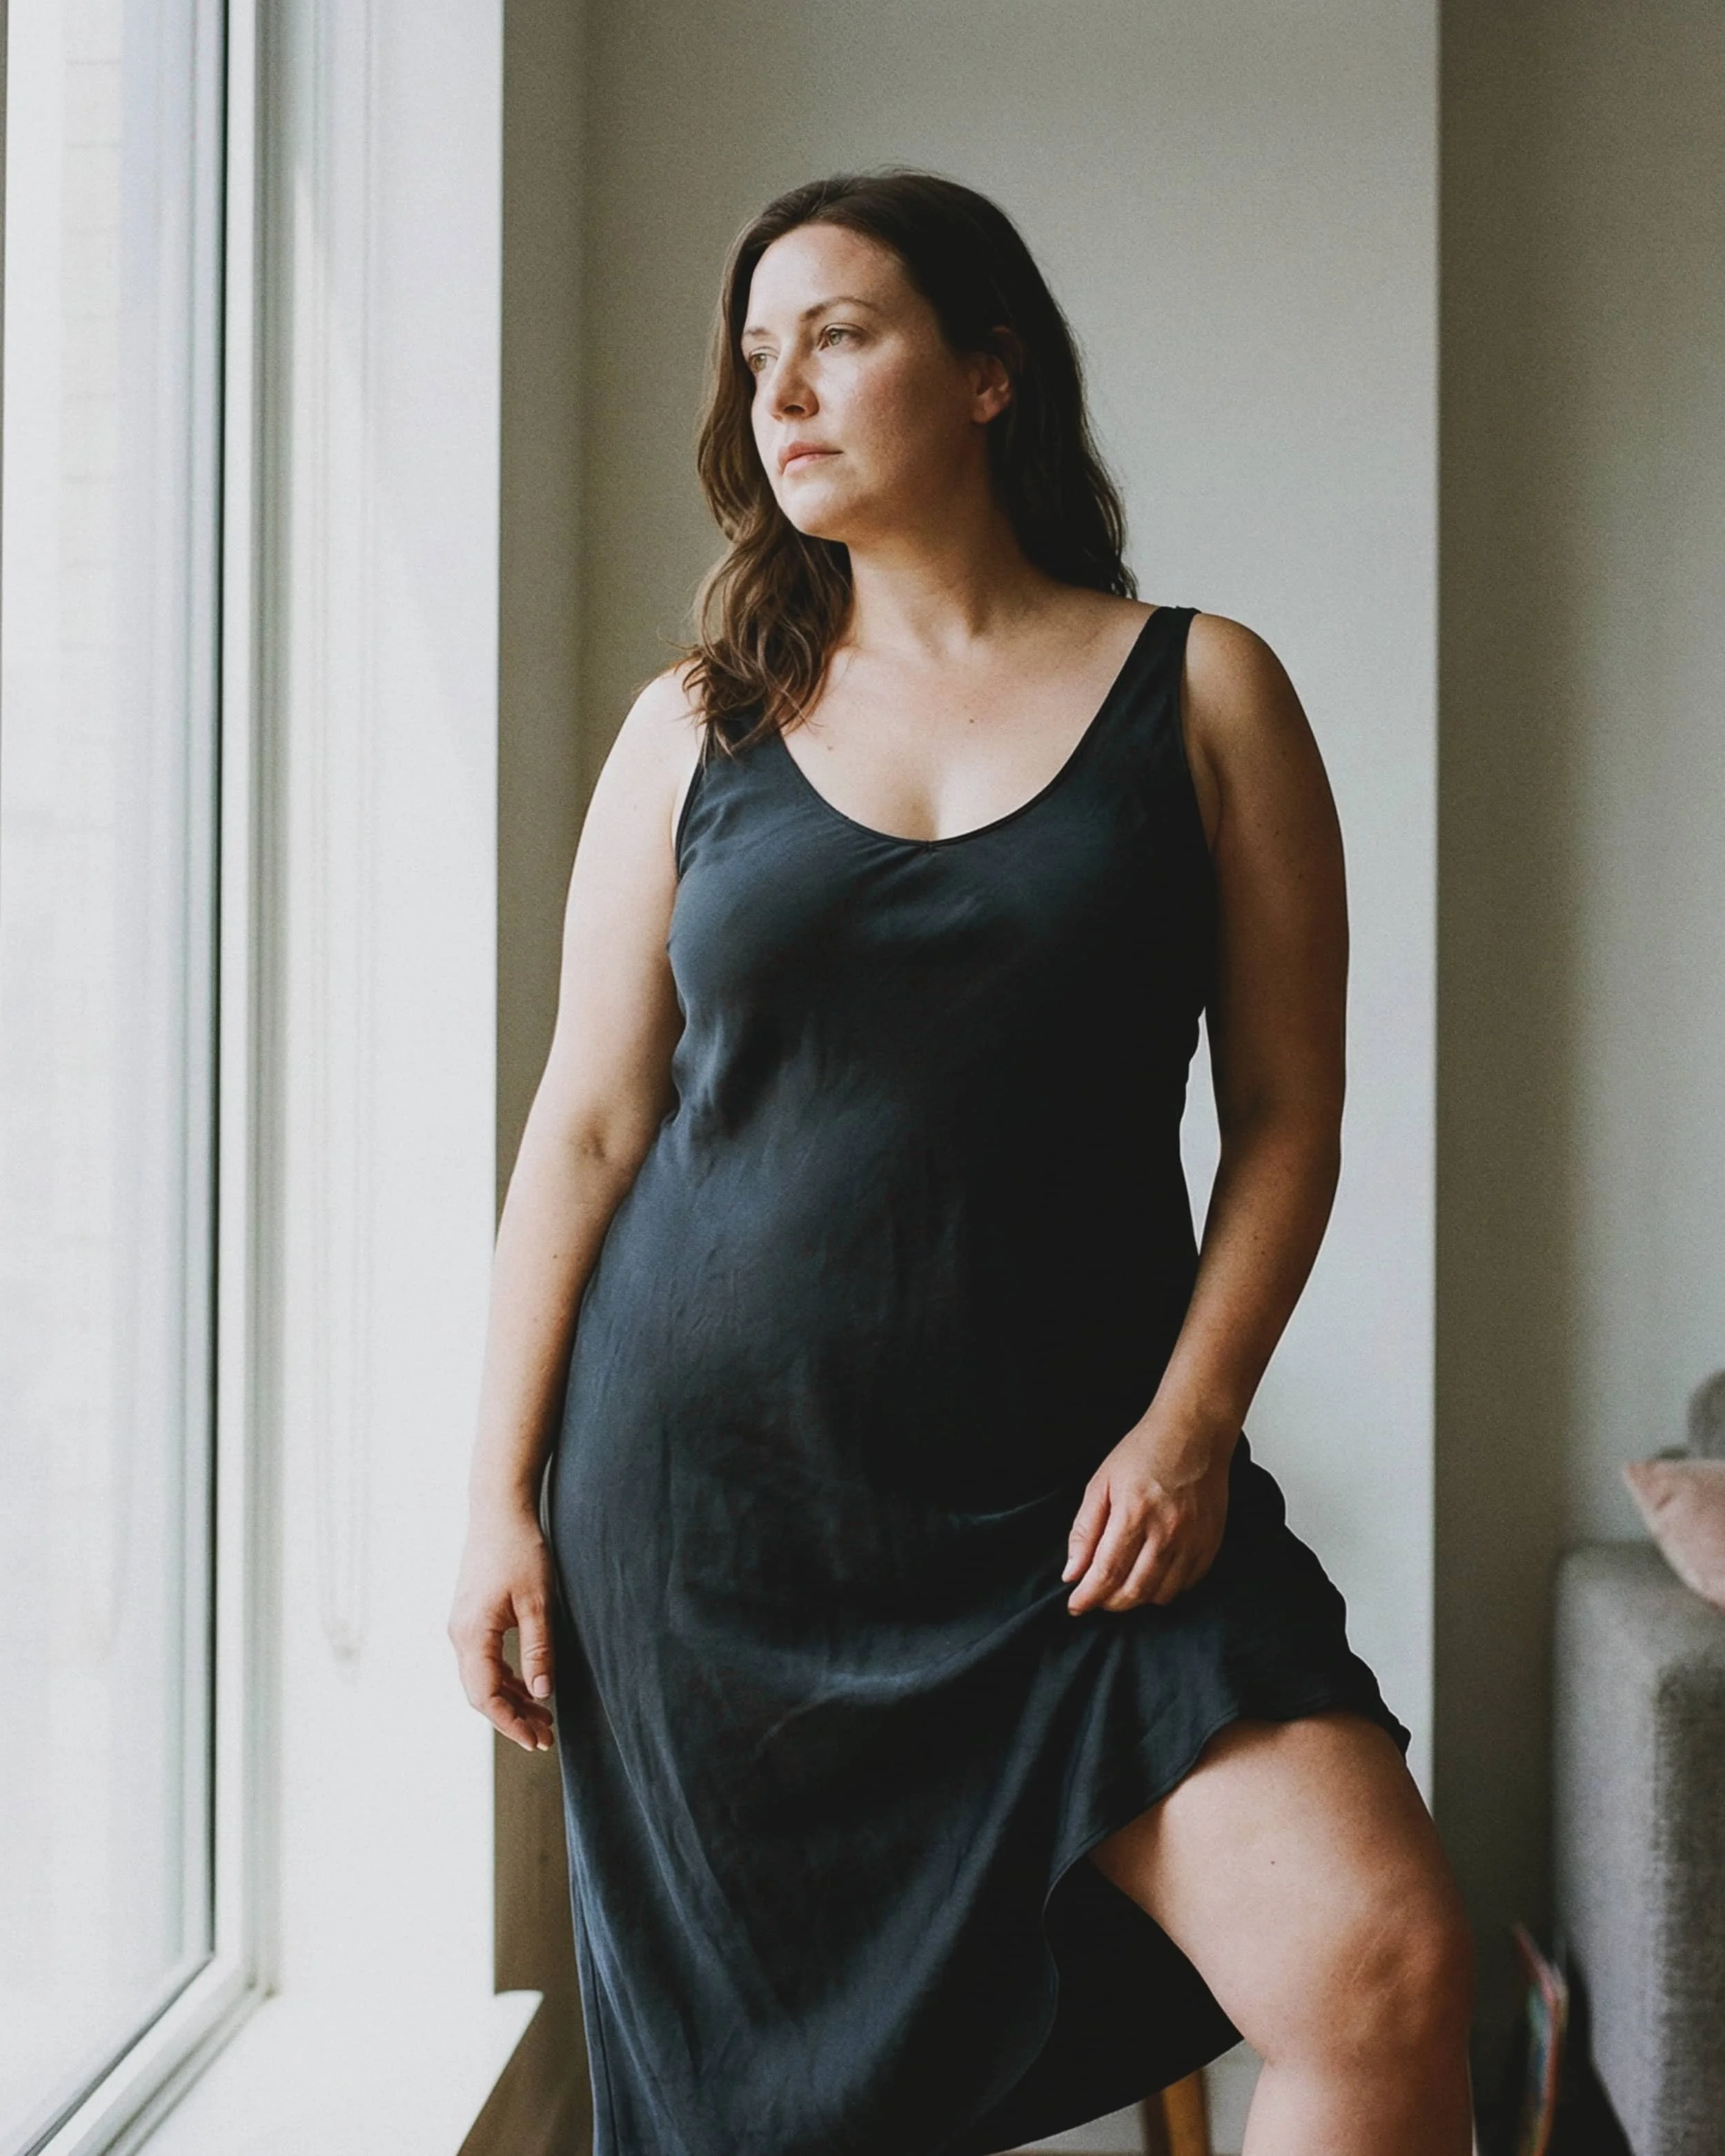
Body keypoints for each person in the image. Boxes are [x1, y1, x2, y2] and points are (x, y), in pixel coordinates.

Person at [448, 168, 1474, 2156]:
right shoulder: (696, 730)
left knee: (1382, 1965)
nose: (783, 392)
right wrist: (495, 1494)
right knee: (789, 2112)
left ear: (991, 371)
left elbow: (1287, 1115)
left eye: (838, 335)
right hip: (719, 1515)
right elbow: (587, 1120)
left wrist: (1192, 1421)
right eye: (758, 357)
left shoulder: (1204, 691)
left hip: (1085, 1499)